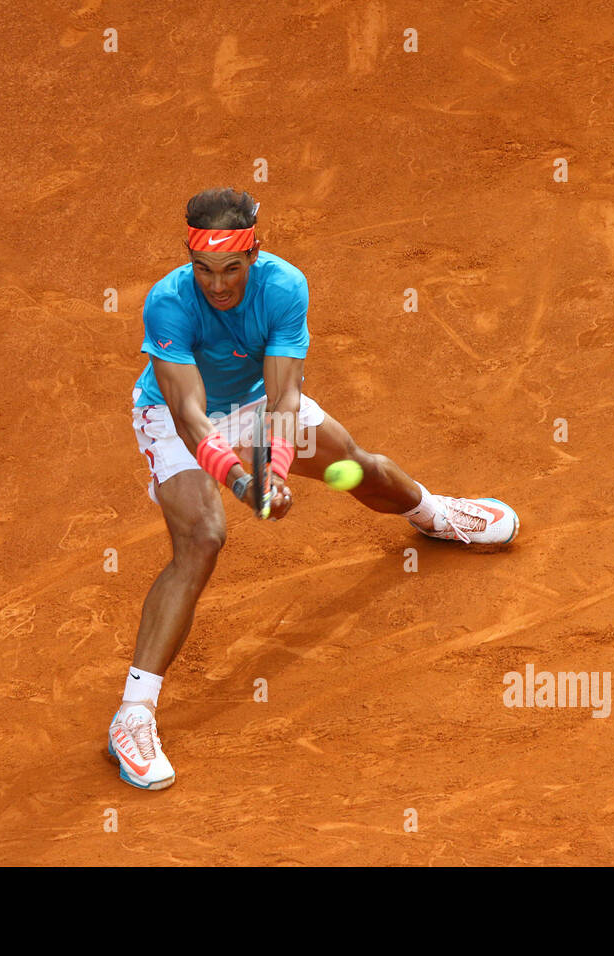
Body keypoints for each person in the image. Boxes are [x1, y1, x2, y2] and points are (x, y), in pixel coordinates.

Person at [108, 187, 519, 790]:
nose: (217, 285)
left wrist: (272, 470)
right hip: (174, 420)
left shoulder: (284, 287)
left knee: (355, 464)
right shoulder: (168, 303)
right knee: (202, 536)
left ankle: (434, 513)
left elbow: (282, 400)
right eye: (204, 270)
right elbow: (192, 417)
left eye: (230, 269)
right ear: (188, 260)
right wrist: (246, 483)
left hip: (255, 404)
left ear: (255, 254)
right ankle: (132, 715)